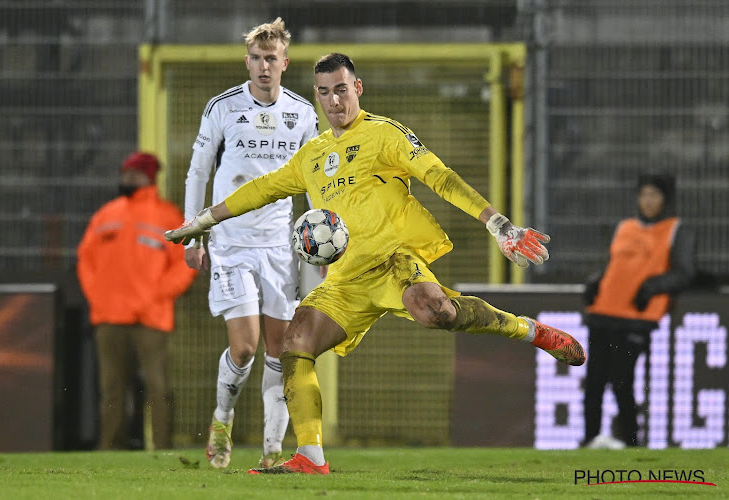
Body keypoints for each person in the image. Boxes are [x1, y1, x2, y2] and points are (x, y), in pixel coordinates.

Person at [165, 53, 586, 474]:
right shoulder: (311, 156)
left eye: (342, 90)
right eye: (325, 93)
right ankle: (310, 458)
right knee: (295, 343)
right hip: (347, 278)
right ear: (317, 96)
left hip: (395, 260)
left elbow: (439, 176)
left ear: (358, 88)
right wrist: (200, 221)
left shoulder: (385, 134)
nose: (334, 101)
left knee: (439, 312)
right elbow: (260, 190)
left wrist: (497, 223)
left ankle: (531, 330)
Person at [182, 18, 319, 469]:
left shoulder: (302, 113)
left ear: (284, 62)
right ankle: (223, 418)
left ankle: (271, 450)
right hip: (231, 242)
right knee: (245, 347)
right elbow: (199, 171)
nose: (264, 67)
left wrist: (321, 239)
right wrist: (193, 230)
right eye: (257, 59)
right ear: (248, 62)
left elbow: (316, 180)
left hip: (280, 245)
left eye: (271, 59)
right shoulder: (222, 107)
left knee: (280, 350)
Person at [77, 152, 197, 450]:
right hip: (109, 318)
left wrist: (154, 296)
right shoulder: (105, 215)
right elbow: (85, 259)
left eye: (133, 175)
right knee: (111, 390)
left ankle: (162, 448)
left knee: (158, 387)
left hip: (151, 318)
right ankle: (109, 450)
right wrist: (99, 298)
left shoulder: (168, 216)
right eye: (125, 174)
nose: (126, 180)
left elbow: (183, 263)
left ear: (148, 177)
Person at [582, 172, 695, 448]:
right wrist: (596, 281)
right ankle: (589, 440)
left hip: (636, 319)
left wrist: (651, 287)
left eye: (654, 194)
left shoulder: (676, 229)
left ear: (665, 199)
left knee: (622, 380)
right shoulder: (624, 227)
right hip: (604, 312)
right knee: (594, 382)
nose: (647, 200)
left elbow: (685, 273)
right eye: (644, 194)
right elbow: (614, 265)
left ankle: (630, 440)